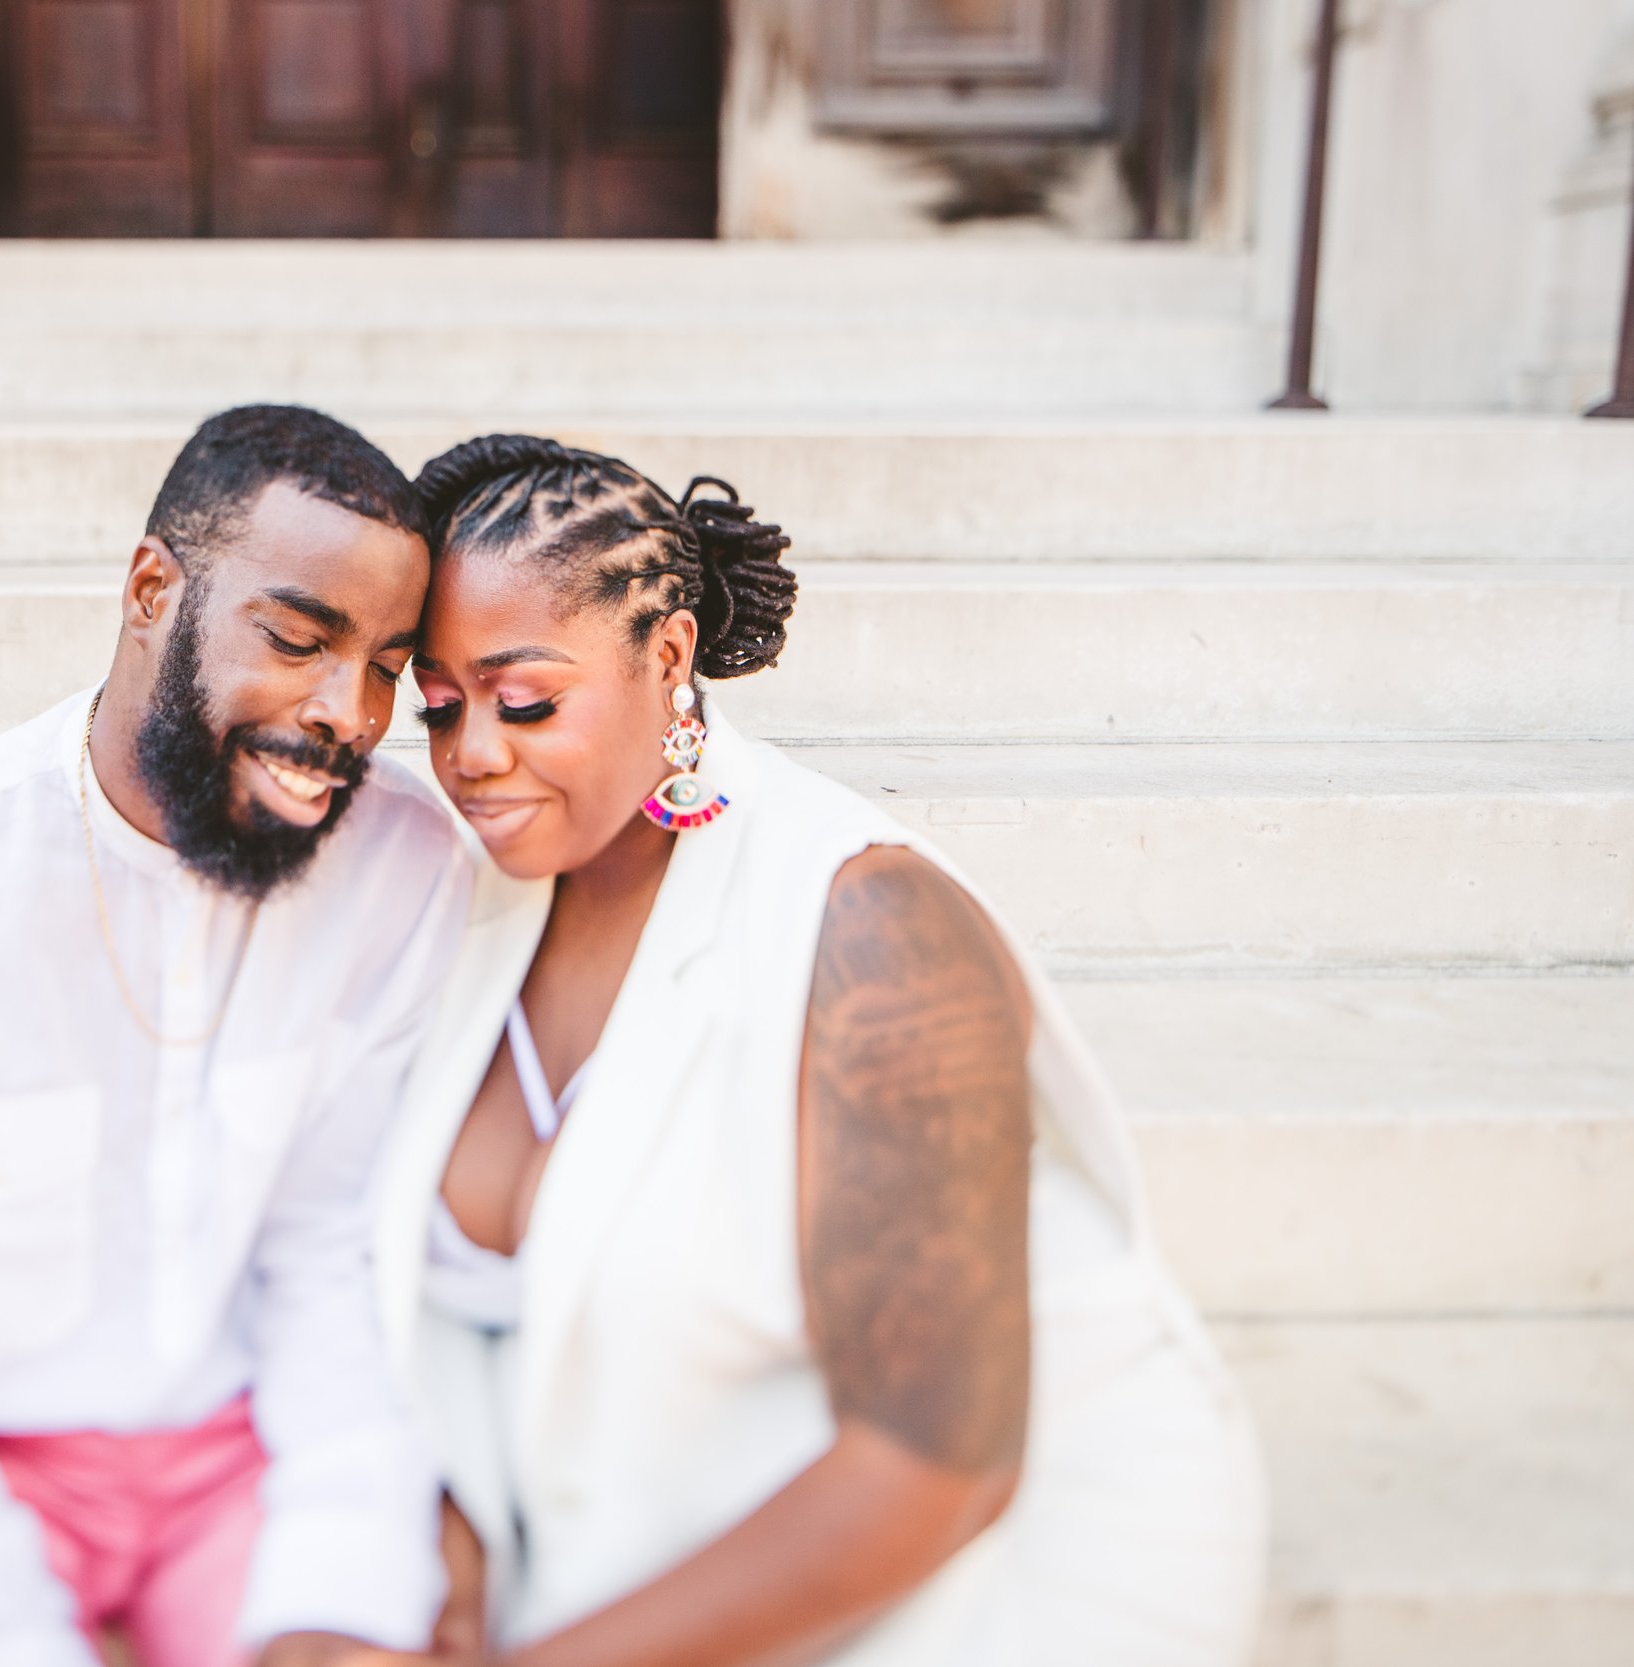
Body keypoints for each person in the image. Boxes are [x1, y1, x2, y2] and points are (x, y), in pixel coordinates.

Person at [364, 437, 1267, 1667]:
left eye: (524, 701)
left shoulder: (866, 929)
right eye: (439, 706)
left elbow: (935, 1464)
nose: (470, 752)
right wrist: (441, 1546)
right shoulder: (453, 905)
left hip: (1002, 1591)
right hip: (618, 1566)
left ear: (667, 657)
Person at [0, 405, 473, 1667]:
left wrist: (332, 1586)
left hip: (247, 1449)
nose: (347, 711)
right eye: (298, 639)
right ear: (150, 589)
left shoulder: (403, 865)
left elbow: (338, 1261)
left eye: (390, 667)